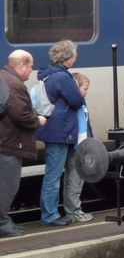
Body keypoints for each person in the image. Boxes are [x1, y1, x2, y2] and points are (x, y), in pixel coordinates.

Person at [35, 40, 85, 226]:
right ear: (68, 57)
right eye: (74, 54)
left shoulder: (49, 74)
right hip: (60, 132)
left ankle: (54, 213)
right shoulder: (62, 77)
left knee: (54, 175)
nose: (76, 57)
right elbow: (77, 100)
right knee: (53, 176)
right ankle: (50, 215)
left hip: (56, 131)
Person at [0, 50, 46, 237]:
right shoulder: (13, 83)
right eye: (30, 65)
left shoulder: (4, 77)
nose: (32, 69)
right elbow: (20, 114)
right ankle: (2, 224)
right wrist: (37, 121)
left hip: (5, 141)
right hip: (10, 143)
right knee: (7, 186)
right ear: (21, 66)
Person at [61, 72, 93, 223]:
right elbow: (80, 129)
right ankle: (73, 211)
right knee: (75, 181)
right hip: (76, 148)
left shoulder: (80, 103)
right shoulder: (76, 105)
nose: (87, 92)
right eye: (85, 88)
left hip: (79, 147)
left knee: (71, 180)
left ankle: (71, 210)